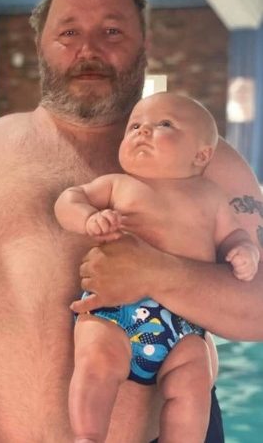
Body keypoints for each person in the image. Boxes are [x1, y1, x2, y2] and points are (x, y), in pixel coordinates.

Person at [0, 0, 263, 442]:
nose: (89, 49)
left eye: (112, 31)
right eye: (69, 32)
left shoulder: (204, 160)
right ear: (40, 44)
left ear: (144, 44)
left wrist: (157, 273)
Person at [54, 92, 259, 442]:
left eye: (164, 124)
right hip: (114, 313)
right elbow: (69, 199)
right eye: (134, 126)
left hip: (183, 325)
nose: (142, 131)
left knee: (194, 381)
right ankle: (88, 436)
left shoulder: (210, 197)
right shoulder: (120, 185)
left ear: (201, 155)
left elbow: (233, 236)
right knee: (95, 362)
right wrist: (88, 218)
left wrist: (243, 251)